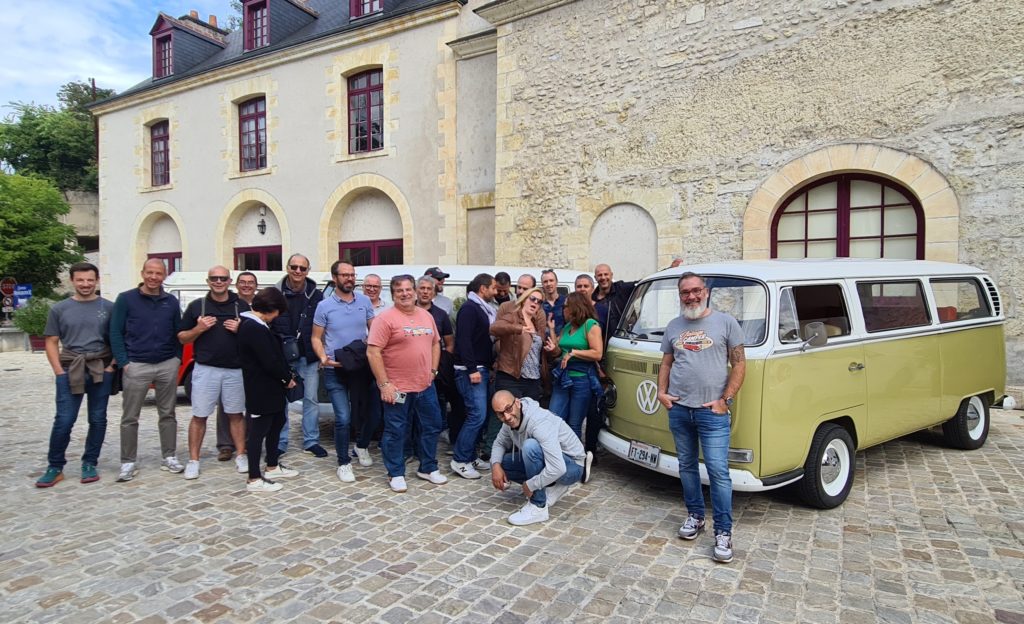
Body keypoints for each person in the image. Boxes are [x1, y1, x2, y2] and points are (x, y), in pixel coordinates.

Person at [656, 272, 746, 563]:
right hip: (680, 410)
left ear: (705, 292)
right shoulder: (673, 326)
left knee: (719, 472)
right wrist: (662, 392)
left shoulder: (726, 322)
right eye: (685, 292)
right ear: (679, 295)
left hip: (712, 412)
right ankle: (695, 516)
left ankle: (723, 531)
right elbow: (666, 362)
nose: (691, 296)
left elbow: (740, 363)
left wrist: (725, 400)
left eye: (696, 291)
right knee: (686, 466)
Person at [35, 262, 116, 488]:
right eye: (80, 280)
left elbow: (118, 338)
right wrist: (59, 371)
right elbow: (51, 341)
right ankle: (55, 466)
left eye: (90, 280)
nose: (85, 284)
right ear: (72, 280)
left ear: (97, 280)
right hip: (71, 369)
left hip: (100, 368)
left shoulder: (109, 307)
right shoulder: (59, 309)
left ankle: (90, 462)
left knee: (98, 419)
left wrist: (111, 367)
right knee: (64, 419)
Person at [367, 275, 447, 492]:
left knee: (432, 426)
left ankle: (428, 467)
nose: (405, 294)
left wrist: (433, 370)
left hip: (425, 386)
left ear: (414, 291)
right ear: (393, 294)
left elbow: (435, 344)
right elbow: (373, 352)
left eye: (408, 289)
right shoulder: (385, 319)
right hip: (397, 388)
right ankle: (395, 473)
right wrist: (384, 385)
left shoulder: (426, 316)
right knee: (395, 431)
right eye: (399, 290)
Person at [109, 258, 183, 482]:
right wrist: (124, 362)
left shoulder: (170, 301)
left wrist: (177, 359)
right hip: (136, 364)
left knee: (168, 413)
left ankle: (169, 456)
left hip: (166, 364)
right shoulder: (126, 299)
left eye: (158, 273)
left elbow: (177, 331)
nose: (153, 277)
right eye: (149, 272)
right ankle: (128, 461)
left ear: (165, 275)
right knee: (130, 416)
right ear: (142, 273)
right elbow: (115, 332)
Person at [177, 266, 249, 479]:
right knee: (199, 415)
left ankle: (241, 455)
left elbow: (254, 336)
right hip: (206, 369)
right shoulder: (197, 306)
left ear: (229, 281)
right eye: (214, 278)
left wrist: (240, 330)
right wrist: (198, 329)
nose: (218, 281)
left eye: (223, 278)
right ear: (207, 281)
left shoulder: (241, 306)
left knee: (236, 414)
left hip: (234, 369)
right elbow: (182, 337)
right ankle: (193, 460)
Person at [489, 390, 593, 526]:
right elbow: (499, 443)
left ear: (518, 403)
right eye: (501, 414)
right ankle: (552, 485)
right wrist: (495, 466)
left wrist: (531, 485)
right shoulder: (509, 421)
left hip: (572, 466)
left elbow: (558, 467)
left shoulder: (539, 422)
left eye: (509, 409)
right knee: (503, 464)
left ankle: (538, 506)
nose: (507, 416)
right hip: (552, 462)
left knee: (530, 447)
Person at [311, 261, 375, 483]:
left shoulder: (365, 301)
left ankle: (361, 446)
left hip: (360, 368)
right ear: (335, 277)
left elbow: (374, 330)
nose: (350, 279)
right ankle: (343, 462)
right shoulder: (324, 306)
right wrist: (323, 358)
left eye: (352, 275)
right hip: (335, 370)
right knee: (343, 418)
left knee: (366, 414)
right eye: (345, 275)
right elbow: (315, 337)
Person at [238, 288, 300, 493]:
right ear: (271, 308)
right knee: (257, 432)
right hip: (260, 388)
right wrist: (286, 378)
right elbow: (269, 360)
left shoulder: (260, 326)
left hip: (272, 388)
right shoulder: (252, 328)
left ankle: (272, 465)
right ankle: (254, 478)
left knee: (277, 423)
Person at [273, 254, 327, 458]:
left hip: (308, 354)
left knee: (310, 399)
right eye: (294, 267)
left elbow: (323, 326)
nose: (298, 271)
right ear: (287, 268)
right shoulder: (275, 293)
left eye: (302, 268)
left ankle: (311, 441)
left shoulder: (316, 295)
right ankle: (280, 441)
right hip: (283, 355)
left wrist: (321, 352)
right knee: (282, 400)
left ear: (308, 270)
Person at [451, 273, 497, 479]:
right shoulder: (469, 309)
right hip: (471, 370)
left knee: (480, 415)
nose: (496, 292)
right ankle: (460, 460)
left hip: (480, 368)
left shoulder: (481, 308)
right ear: (483, 288)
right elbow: (464, 341)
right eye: (493, 288)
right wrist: (472, 369)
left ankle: (469, 456)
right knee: (476, 415)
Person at [545, 292, 603, 441]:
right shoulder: (567, 327)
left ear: (574, 307)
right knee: (553, 418)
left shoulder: (591, 325)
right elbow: (559, 350)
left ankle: (575, 461)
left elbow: (597, 353)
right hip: (563, 378)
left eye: (566, 306)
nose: (563, 310)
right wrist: (551, 332)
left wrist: (574, 353)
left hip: (581, 380)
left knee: (574, 424)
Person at [217, 271, 257, 461]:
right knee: (226, 405)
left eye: (250, 283)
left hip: (251, 362)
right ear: (236, 285)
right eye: (243, 282)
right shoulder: (229, 303)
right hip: (229, 360)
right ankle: (226, 444)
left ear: (256, 286)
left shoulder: (259, 305)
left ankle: (249, 442)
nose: (246, 286)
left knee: (251, 404)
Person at [592, 264, 637, 345]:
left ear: (611, 275)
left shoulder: (621, 288)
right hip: (601, 346)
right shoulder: (592, 299)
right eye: (599, 275)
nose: (603, 278)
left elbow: (641, 284)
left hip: (622, 342)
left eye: (606, 274)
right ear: (595, 277)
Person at [540, 270, 566, 336]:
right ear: (542, 284)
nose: (548, 284)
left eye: (551, 280)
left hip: (563, 343)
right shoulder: (539, 303)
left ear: (556, 282)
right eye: (545, 282)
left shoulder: (566, 301)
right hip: (545, 344)